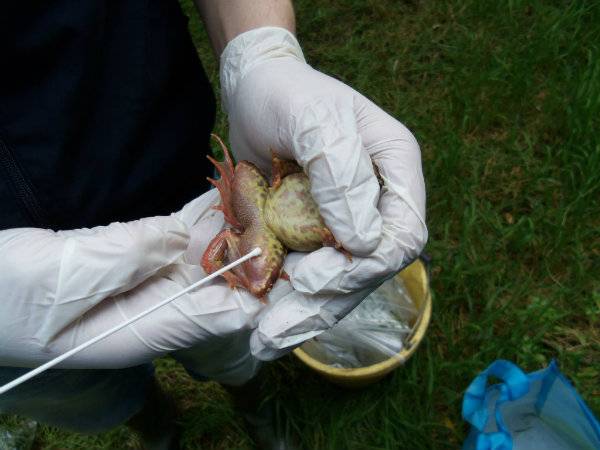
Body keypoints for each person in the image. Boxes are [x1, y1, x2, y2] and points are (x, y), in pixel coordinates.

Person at [0, 1, 427, 448]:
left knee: (230, 335)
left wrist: (260, 49)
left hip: (165, 168)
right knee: (85, 394)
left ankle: (249, 399)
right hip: (11, 324)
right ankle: (155, 424)